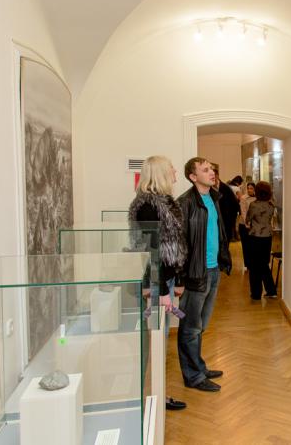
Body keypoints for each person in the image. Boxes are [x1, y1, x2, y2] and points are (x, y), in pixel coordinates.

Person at [127, 155, 188, 411]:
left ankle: (156, 394)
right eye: (171, 168)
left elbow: (175, 245)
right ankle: (152, 397)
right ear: (161, 173)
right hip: (156, 281)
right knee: (155, 339)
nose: (175, 172)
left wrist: (176, 279)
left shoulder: (164, 202)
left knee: (159, 337)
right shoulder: (147, 206)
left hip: (165, 278)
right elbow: (150, 251)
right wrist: (161, 289)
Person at [177, 157, 232, 392]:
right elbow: (179, 245)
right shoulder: (185, 203)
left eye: (212, 168)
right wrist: (180, 279)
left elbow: (219, 233)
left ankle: (198, 367)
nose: (212, 172)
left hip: (213, 270)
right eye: (205, 169)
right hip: (195, 274)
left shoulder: (214, 198)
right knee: (190, 328)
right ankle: (193, 376)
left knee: (201, 325)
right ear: (193, 176)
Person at [245, 181, 277, 300]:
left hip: (255, 236)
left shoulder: (254, 205)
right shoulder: (271, 205)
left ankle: (256, 293)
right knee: (264, 264)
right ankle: (271, 290)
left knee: (254, 265)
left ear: (257, 192)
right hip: (267, 236)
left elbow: (248, 219)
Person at [211, 163, 239, 242]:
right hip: (213, 224)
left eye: (213, 175)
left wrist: (230, 222)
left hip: (225, 223)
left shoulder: (226, 188)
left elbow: (235, 206)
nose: (211, 177)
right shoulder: (208, 188)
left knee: (225, 245)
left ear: (217, 176)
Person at [238, 182, 256, 271]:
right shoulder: (243, 198)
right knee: (246, 246)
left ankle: (253, 263)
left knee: (253, 246)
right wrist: (247, 224)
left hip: (254, 225)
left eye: (251, 188)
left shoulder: (257, 198)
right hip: (244, 225)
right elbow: (244, 212)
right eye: (248, 188)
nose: (249, 190)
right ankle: (247, 264)